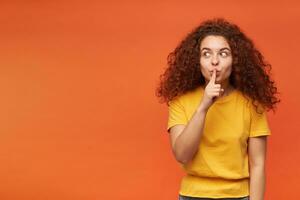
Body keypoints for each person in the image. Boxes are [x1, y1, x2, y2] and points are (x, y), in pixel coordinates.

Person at [155, 18, 280, 200]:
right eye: (206, 54)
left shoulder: (251, 104)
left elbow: (258, 164)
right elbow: (182, 155)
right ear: (196, 61)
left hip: (238, 196)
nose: (214, 61)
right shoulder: (181, 101)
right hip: (192, 196)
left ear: (235, 59)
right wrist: (204, 106)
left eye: (223, 53)